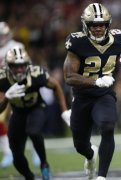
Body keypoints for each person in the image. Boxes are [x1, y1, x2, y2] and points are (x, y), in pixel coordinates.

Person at [63, 3, 121, 180]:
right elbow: (68, 77)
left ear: (108, 25)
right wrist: (95, 81)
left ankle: (101, 177)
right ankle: (90, 155)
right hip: (82, 97)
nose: (98, 29)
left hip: (104, 96)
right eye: (94, 25)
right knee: (80, 145)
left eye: (101, 25)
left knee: (107, 126)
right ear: (86, 25)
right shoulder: (78, 42)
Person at [0, 46, 69, 180]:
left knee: (33, 131)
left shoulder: (36, 73)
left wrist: (64, 110)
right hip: (18, 112)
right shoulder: (2, 79)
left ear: (27, 64)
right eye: (15, 66)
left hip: (36, 107)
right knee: (16, 156)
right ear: (8, 66)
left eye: (22, 66)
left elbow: (56, 85)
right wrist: (7, 97)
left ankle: (44, 164)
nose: (20, 70)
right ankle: (29, 177)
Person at [0, 21, 40, 168]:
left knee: (27, 120)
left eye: (3, 35)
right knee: (1, 120)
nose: (2, 38)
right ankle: (8, 152)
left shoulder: (16, 46)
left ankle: (35, 151)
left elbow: (27, 66)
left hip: (19, 86)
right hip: (3, 88)